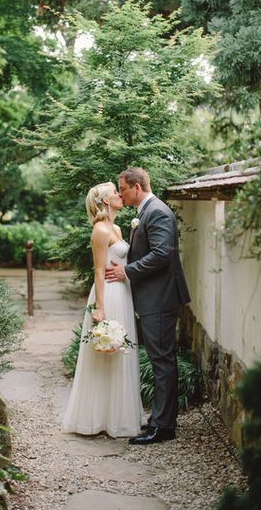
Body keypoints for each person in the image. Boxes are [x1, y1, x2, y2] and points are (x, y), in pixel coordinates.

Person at [105, 167, 190, 445]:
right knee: (159, 359)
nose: (120, 193)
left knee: (162, 360)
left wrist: (127, 271)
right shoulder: (146, 212)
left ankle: (163, 427)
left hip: (161, 298)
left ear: (137, 188)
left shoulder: (157, 212)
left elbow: (162, 255)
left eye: (123, 189)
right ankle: (159, 420)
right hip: (155, 296)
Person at [62, 182, 145, 438]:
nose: (120, 194)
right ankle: (95, 419)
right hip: (107, 295)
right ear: (105, 201)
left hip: (123, 293)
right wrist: (100, 308)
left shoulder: (117, 227)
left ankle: (118, 418)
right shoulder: (99, 230)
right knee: (104, 355)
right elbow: (98, 269)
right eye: (114, 192)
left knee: (121, 353)